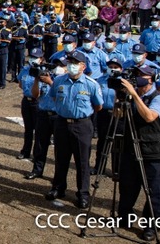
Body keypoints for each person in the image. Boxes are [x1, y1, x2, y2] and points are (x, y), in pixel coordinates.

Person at [117, 64, 160, 242]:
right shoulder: (133, 96)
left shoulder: (159, 98)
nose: (138, 78)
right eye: (137, 75)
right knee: (127, 186)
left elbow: (149, 116)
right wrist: (120, 98)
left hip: (152, 152)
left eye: (143, 76)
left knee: (153, 191)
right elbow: (117, 116)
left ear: (152, 79)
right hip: (131, 148)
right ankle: (124, 217)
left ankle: (151, 225)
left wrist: (134, 95)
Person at [45, 50, 103, 209]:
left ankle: (83, 193)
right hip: (62, 123)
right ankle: (58, 187)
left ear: (83, 66)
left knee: (82, 161)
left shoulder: (91, 84)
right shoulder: (59, 81)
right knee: (61, 158)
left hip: (82, 125)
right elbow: (54, 97)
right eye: (70, 62)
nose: (71, 66)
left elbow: (98, 106)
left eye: (75, 63)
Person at [26, 57, 65, 180]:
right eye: (55, 64)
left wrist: (50, 82)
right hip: (43, 113)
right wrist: (37, 80)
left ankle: (58, 176)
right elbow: (35, 95)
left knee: (60, 147)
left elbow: (63, 96)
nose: (57, 67)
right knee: (40, 144)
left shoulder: (64, 81)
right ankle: (37, 170)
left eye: (60, 65)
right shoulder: (45, 77)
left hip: (58, 115)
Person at [17, 48, 45, 161]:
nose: (33, 59)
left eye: (36, 57)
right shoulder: (25, 70)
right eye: (32, 57)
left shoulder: (43, 72)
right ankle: (25, 151)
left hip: (37, 102)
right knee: (28, 128)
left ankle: (37, 153)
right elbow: (20, 84)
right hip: (26, 100)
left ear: (41, 59)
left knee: (38, 130)